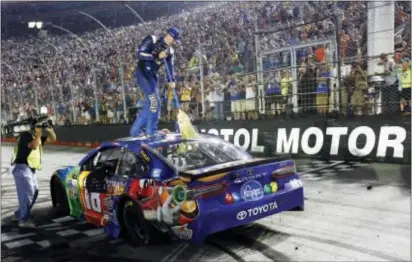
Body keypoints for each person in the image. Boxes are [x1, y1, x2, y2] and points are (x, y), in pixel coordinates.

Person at [130, 27, 181, 138]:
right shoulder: (152, 39)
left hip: (152, 76)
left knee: (156, 102)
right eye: (174, 39)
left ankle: (144, 131)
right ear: (169, 35)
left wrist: (171, 80)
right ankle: (144, 131)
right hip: (143, 73)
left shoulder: (170, 51)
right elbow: (140, 54)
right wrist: (156, 56)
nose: (174, 42)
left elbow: (170, 67)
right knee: (153, 102)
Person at [10, 121, 57, 228]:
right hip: (22, 168)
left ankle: (19, 214)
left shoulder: (36, 137)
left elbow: (53, 139)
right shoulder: (26, 135)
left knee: (34, 192)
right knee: (27, 194)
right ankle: (23, 220)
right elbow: (34, 145)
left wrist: (49, 129)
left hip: (30, 170)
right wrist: (39, 133)